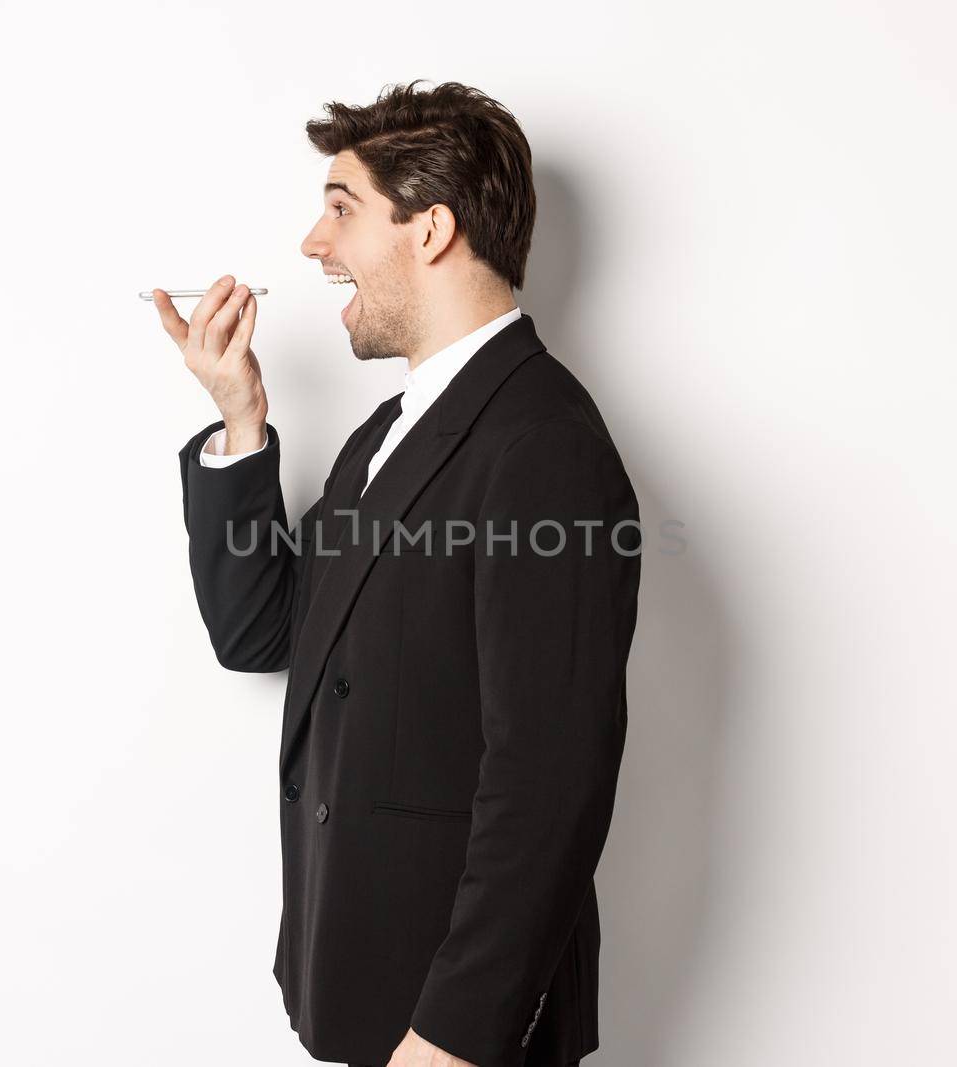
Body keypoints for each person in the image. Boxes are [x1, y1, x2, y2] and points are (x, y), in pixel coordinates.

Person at [153, 80, 640, 1067]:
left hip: (459, 1027)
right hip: (368, 985)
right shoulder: (392, 430)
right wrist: (241, 419)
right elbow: (265, 632)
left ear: (429, 230)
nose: (310, 244)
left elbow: (550, 781)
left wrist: (457, 1031)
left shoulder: (540, 442)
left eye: (341, 207)